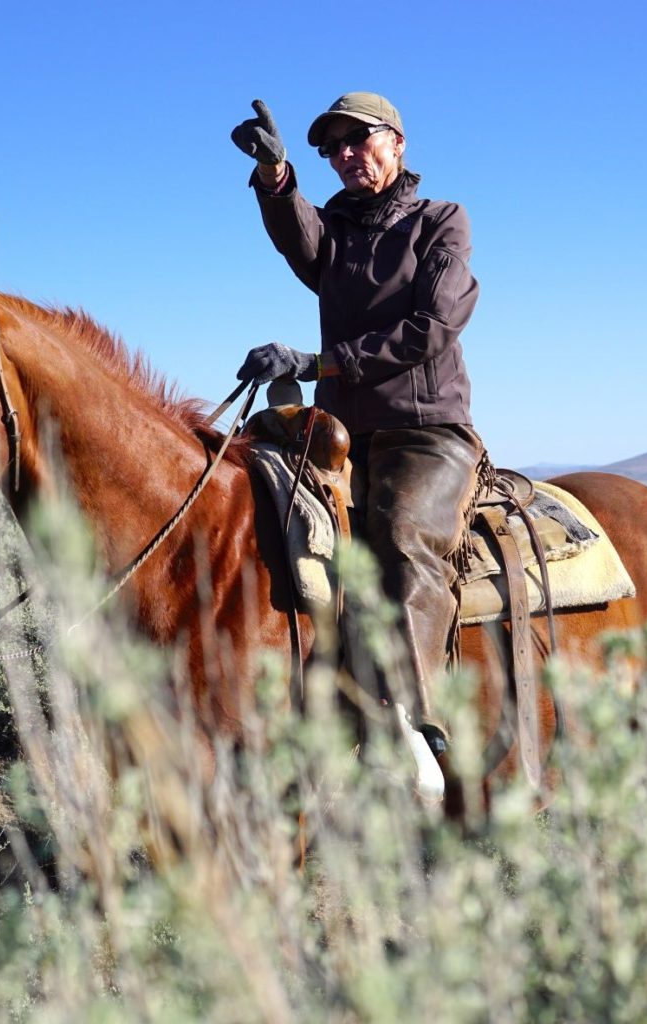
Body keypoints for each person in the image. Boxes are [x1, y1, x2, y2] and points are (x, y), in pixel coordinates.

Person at [231, 92, 491, 759]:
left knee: (403, 534)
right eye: (333, 148)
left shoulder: (441, 222)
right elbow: (299, 237)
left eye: (360, 140)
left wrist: (320, 364)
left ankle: (415, 728)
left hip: (423, 429)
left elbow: (429, 329)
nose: (346, 156)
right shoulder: (337, 231)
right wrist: (275, 177)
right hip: (340, 431)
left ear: (398, 143)